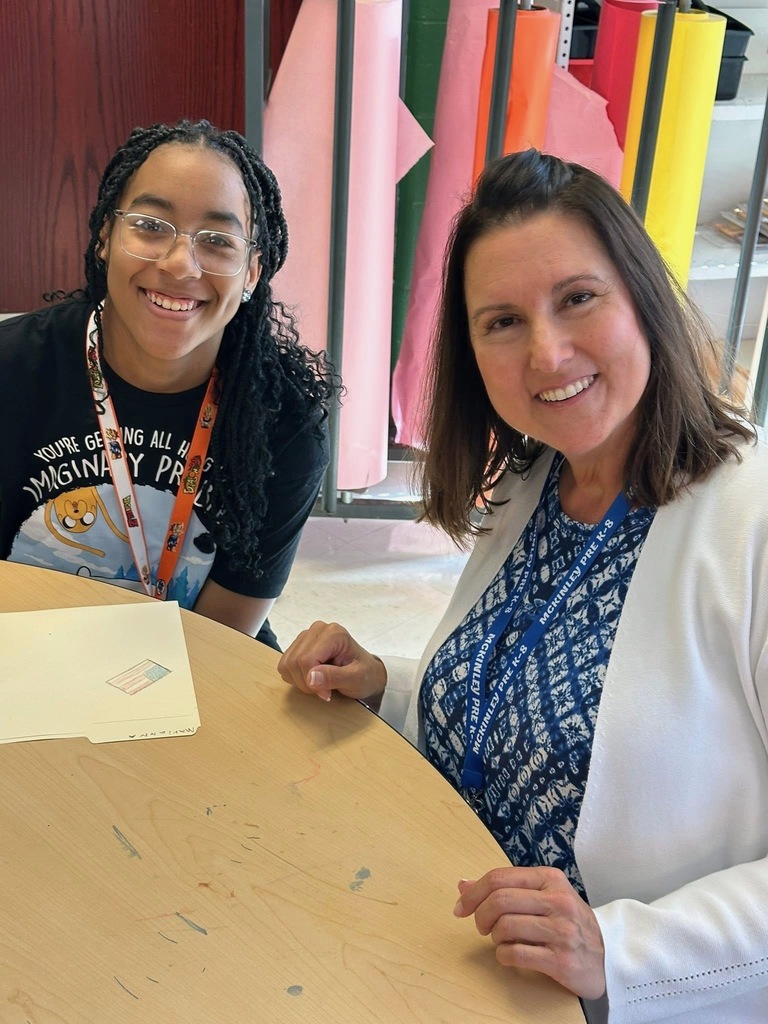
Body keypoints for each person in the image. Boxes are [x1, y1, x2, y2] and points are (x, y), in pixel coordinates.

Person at [277, 150, 768, 1022]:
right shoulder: (536, 480)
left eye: (578, 298)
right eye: (502, 321)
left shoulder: (751, 519)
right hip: (448, 952)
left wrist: (620, 947)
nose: (547, 351)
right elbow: (526, 705)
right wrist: (389, 684)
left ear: (642, 300)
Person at [0, 119, 336, 648]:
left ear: (252, 272)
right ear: (106, 237)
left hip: (197, 668)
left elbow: (222, 640)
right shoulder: (12, 370)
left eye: (218, 241)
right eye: (151, 227)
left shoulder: (286, 423)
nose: (181, 265)